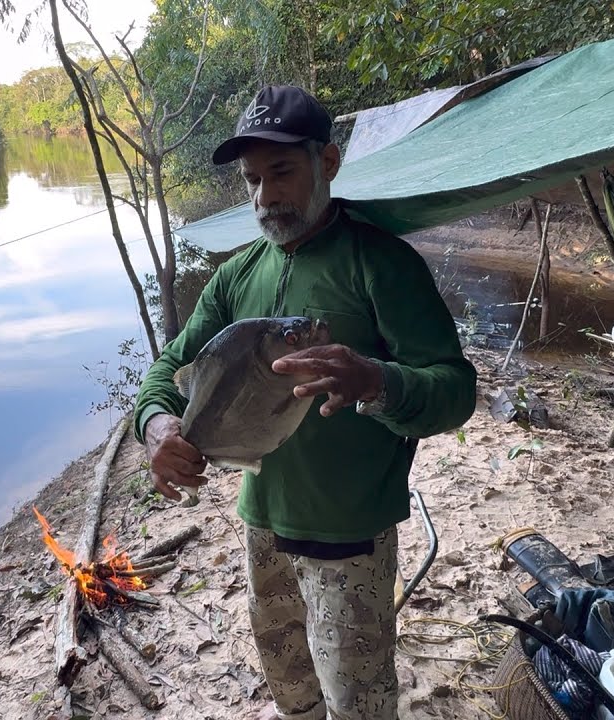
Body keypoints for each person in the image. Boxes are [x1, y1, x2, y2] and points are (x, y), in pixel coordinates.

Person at [130, 84, 477, 720]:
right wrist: (157, 429)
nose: (266, 197)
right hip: (262, 521)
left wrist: (376, 381)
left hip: (351, 530)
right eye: (253, 180)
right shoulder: (236, 278)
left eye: (282, 172)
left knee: (359, 698)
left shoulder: (382, 264)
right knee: (290, 683)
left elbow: (455, 391)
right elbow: (165, 372)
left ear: (330, 162)